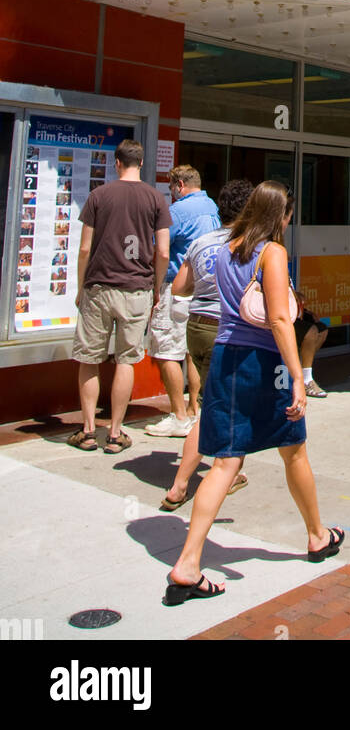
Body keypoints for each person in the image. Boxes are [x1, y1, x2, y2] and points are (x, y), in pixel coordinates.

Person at [164, 180, 343, 603]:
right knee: (294, 448)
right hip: (264, 362)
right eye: (288, 214)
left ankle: (188, 562)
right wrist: (298, 375)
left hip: (227, 356)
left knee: (225, 461)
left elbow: (194, 290)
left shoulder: (226, 249)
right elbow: (280, 320)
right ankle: (318, 535)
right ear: (280, 215)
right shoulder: (272, 252)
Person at [68, 139, 171, 453]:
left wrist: (80, 286)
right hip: (136, 289)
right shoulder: (155, 199)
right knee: (127, 361)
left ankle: (87, 431)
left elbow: (85, 248)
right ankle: (115, 433)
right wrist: (155, 287)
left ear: (116, 163)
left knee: (89, 359)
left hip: (99, 287)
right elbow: (163, 251)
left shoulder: (99, 196)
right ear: (141, 164)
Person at [159, 178, 255, 511]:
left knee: (213, 403)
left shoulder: (201, 242)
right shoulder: (250, 245)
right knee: (227, 408)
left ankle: (191, 480)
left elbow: (180, 288)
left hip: (197, 328)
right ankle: (213, 475)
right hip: (230, 331)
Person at [145, 166, 219, 438]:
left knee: (166, 350)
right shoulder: (212, 207)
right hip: (202, 288)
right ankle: (192, 409)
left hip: (174, 286)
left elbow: (160, 247)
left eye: (171, 186)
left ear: (179, 184)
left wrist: (155, 285)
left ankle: (178, 416)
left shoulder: (175, 211)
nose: (170, 191)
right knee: (191, 352)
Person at [294, 290, 328, 398]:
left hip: (296, 315)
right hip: (281, 319)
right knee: (311, 331)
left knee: (322, 329)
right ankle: (306, 380)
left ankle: (302, 369)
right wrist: (293, 293)